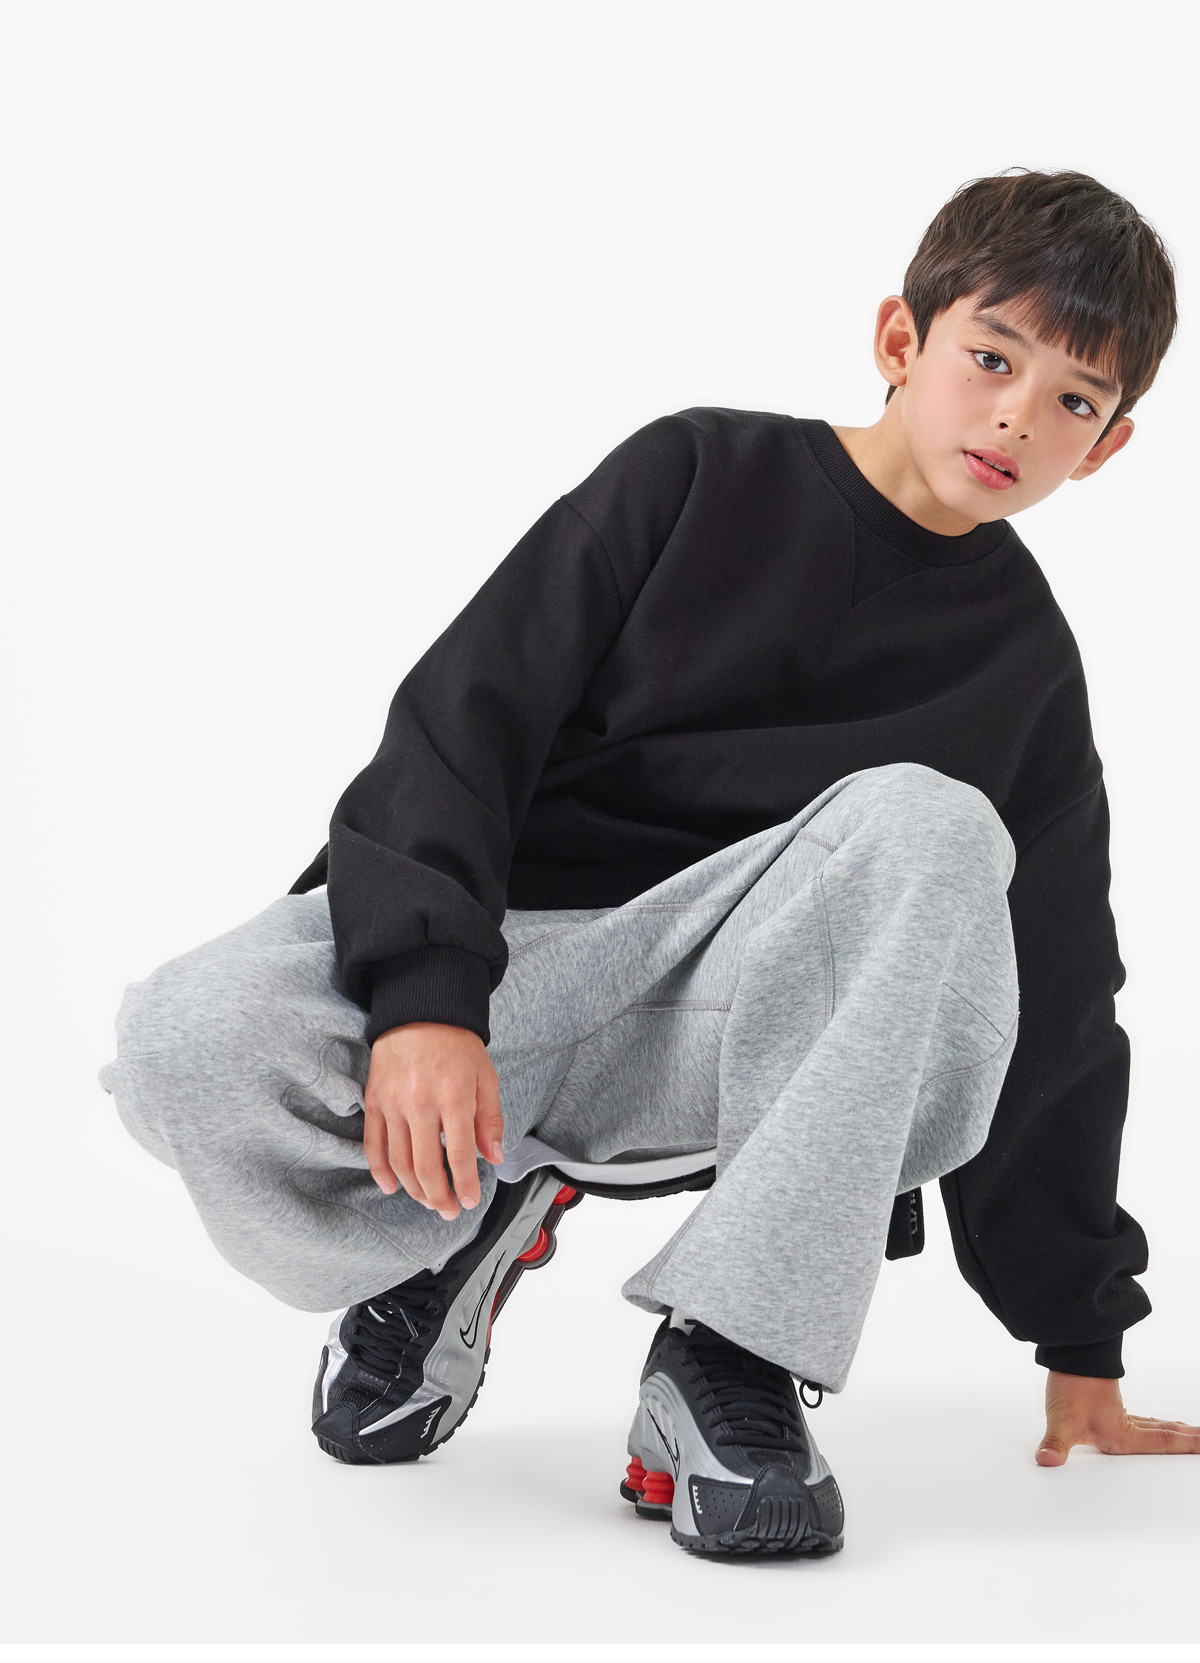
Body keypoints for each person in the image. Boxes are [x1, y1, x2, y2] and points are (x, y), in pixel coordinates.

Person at [100, 166, 1200, 1558]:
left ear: (1105, 448)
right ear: (900, 338)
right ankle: (447, 1232)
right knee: (184, 1041)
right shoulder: (697, 476)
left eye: (1073, 402)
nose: (1017, 418)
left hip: (740, 1036)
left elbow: (1061, 999)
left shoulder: (1024, 670)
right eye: (994, 358)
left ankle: (732, 1352)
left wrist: (1080, 1334)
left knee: (933, 825)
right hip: (513, 978)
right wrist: (428, 1000)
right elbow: (464, 723)